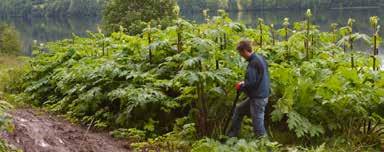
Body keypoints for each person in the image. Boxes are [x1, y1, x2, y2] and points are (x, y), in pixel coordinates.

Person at [228, 40, 271, 138]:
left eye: (240, 53)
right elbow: (259, 77)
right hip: (262, 94)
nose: (241, 56)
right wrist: (244, 83)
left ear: (244, 51)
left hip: (258, 98)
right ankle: (232, 136)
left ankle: (266, 146)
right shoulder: (260, 58)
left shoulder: (253, 63)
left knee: (258, 126)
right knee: (239, 109)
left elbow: (251, 83)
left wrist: (241, 86)